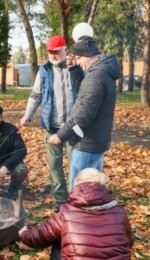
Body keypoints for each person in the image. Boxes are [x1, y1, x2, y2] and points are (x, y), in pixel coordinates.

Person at [19, 168, 137, 260]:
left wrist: (23, 233)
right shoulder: (120, 212)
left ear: (77, 184)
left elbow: (37, 239)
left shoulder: (66, 213)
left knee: (58, 246)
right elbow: (129, 243)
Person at [20, 35, 84, 209]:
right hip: (51, 126)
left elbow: (85, 92)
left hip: (73, 127)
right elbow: (36, 94)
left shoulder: (76, 67)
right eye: (50, 52)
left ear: (65, 50)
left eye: (56, 52)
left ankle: (75, 199)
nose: (53, 55)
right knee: (55, 166)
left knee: (76, 164)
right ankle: (60, 200)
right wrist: (28, 114)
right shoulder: (44, 70)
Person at [48, 35, 120, 188]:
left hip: (87, 143)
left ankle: (77, 213)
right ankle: (90, 212)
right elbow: (86, 92)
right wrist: (74, 69)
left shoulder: (95, 77)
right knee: (93, 190)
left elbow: (83, 117)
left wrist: (60, 135)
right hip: (97, 142)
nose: (79, 63)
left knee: (79, 190)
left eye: (79, 59)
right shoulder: (101, 73)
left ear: (88, 55)